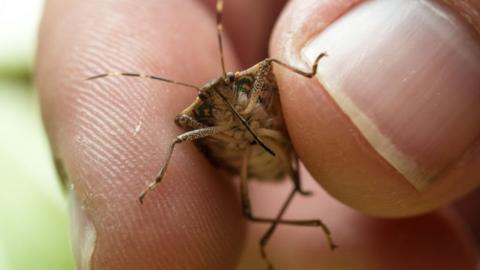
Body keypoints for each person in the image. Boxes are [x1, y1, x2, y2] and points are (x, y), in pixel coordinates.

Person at [36, 0, 480, 269]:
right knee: (250, 215)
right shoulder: (205, 119)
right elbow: (175, 133)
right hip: (249, 163)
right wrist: (153, 181)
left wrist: (308, 72)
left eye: (226, 91)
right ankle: (311, 221)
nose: (222, 97)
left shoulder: (252, 84)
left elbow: (268, 66)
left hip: (281, 148)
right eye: (215, 99)